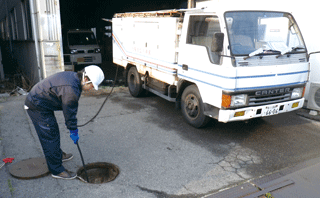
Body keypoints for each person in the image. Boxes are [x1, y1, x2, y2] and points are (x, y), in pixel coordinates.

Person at [24, 65, 104, 179]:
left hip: (43, 102)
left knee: (53, 131)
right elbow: (69, 113)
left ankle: (58, 155)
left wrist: (72, 128)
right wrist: (73, 130)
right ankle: (57, 170)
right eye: (91, 85)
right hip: (36, 105)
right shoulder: (71, 90)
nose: (91, 88)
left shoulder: (74, 79)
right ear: (86, 79)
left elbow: (69, 109)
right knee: (50, 136)